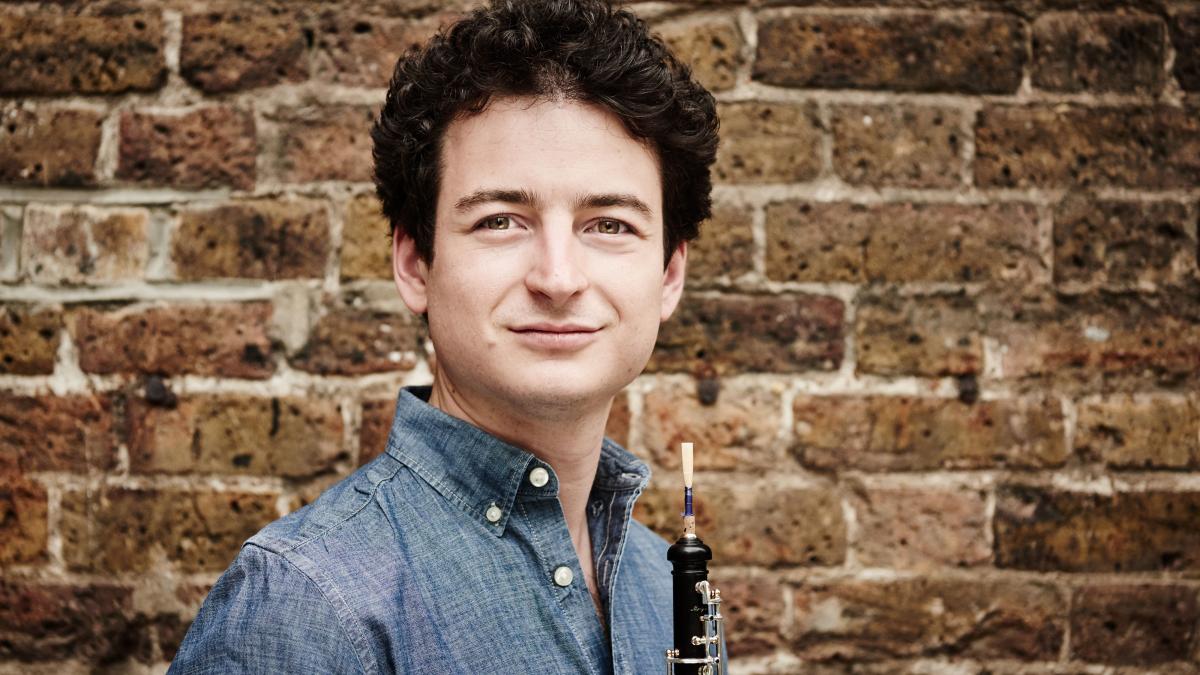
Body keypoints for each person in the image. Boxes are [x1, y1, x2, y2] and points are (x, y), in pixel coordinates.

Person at [169, 0, 718, 671]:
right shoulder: (305, 601)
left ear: (668, 275)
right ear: (413, 264)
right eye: (499, 220)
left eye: (609, 224)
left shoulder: (663, 587)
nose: (558, 277)